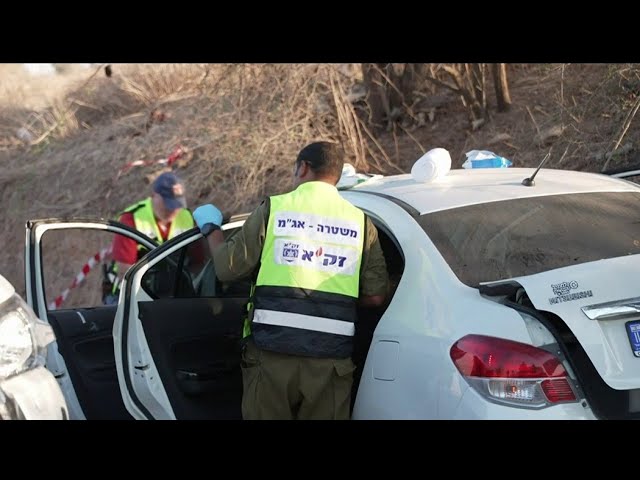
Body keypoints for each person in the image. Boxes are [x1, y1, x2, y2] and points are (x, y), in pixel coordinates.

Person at [193, 141, 390, 420]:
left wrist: (211, 229)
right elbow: (375, 296)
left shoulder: (276, 209)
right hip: (330, 362)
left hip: (271, 356)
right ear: (336, 174)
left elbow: (227, 269)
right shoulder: (360, 222)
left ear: (303, 167)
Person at [103, 172, 195, 304]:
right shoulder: (132, 219)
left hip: (171, 295)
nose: (173, 209)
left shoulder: (187, 217)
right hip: (129, 294)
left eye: (177, 204)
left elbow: (197, 264)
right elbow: (125, 272)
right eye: (168, 203)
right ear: (154, 196)